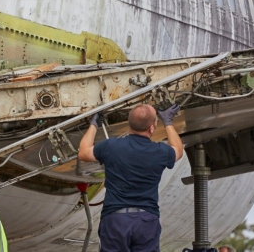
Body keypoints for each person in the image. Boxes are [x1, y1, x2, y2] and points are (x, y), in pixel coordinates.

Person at [78, 103, 184, 252]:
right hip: (145, 220)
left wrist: (94, 123)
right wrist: (168, 122)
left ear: (130, 124)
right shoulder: (160, 151)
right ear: (152, 128)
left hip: (115, 220)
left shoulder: (111, 146)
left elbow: (83, 152)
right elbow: (178, 151)